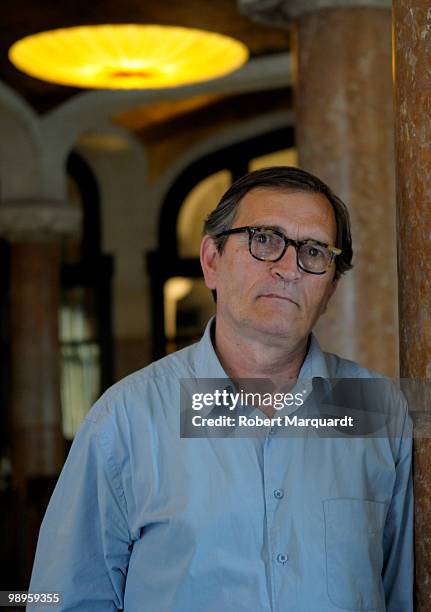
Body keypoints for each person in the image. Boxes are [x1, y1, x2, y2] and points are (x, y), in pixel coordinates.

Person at [28, 167, 413, 611]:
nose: (289, 268)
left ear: (330, 289)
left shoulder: (378, 412)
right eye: (264, 240)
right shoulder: (125, 420)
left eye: (313, 251)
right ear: (211, 260)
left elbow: (404, 595)